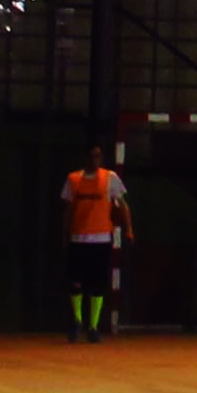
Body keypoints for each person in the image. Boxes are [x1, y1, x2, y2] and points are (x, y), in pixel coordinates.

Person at [61, 147, 132, 344]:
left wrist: (129, 228)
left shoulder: (110, 178)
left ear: (101, 158)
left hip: (101, 238)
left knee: (98, 283)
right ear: (84, 158)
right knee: (76, 282)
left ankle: (93, 326)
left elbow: (123, 205)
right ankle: (77, 320)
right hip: (78, 238)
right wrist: (64, 235)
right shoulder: (73, 179)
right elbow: (67, 210)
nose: (94, 159)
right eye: (90, 156)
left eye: (98, 156)